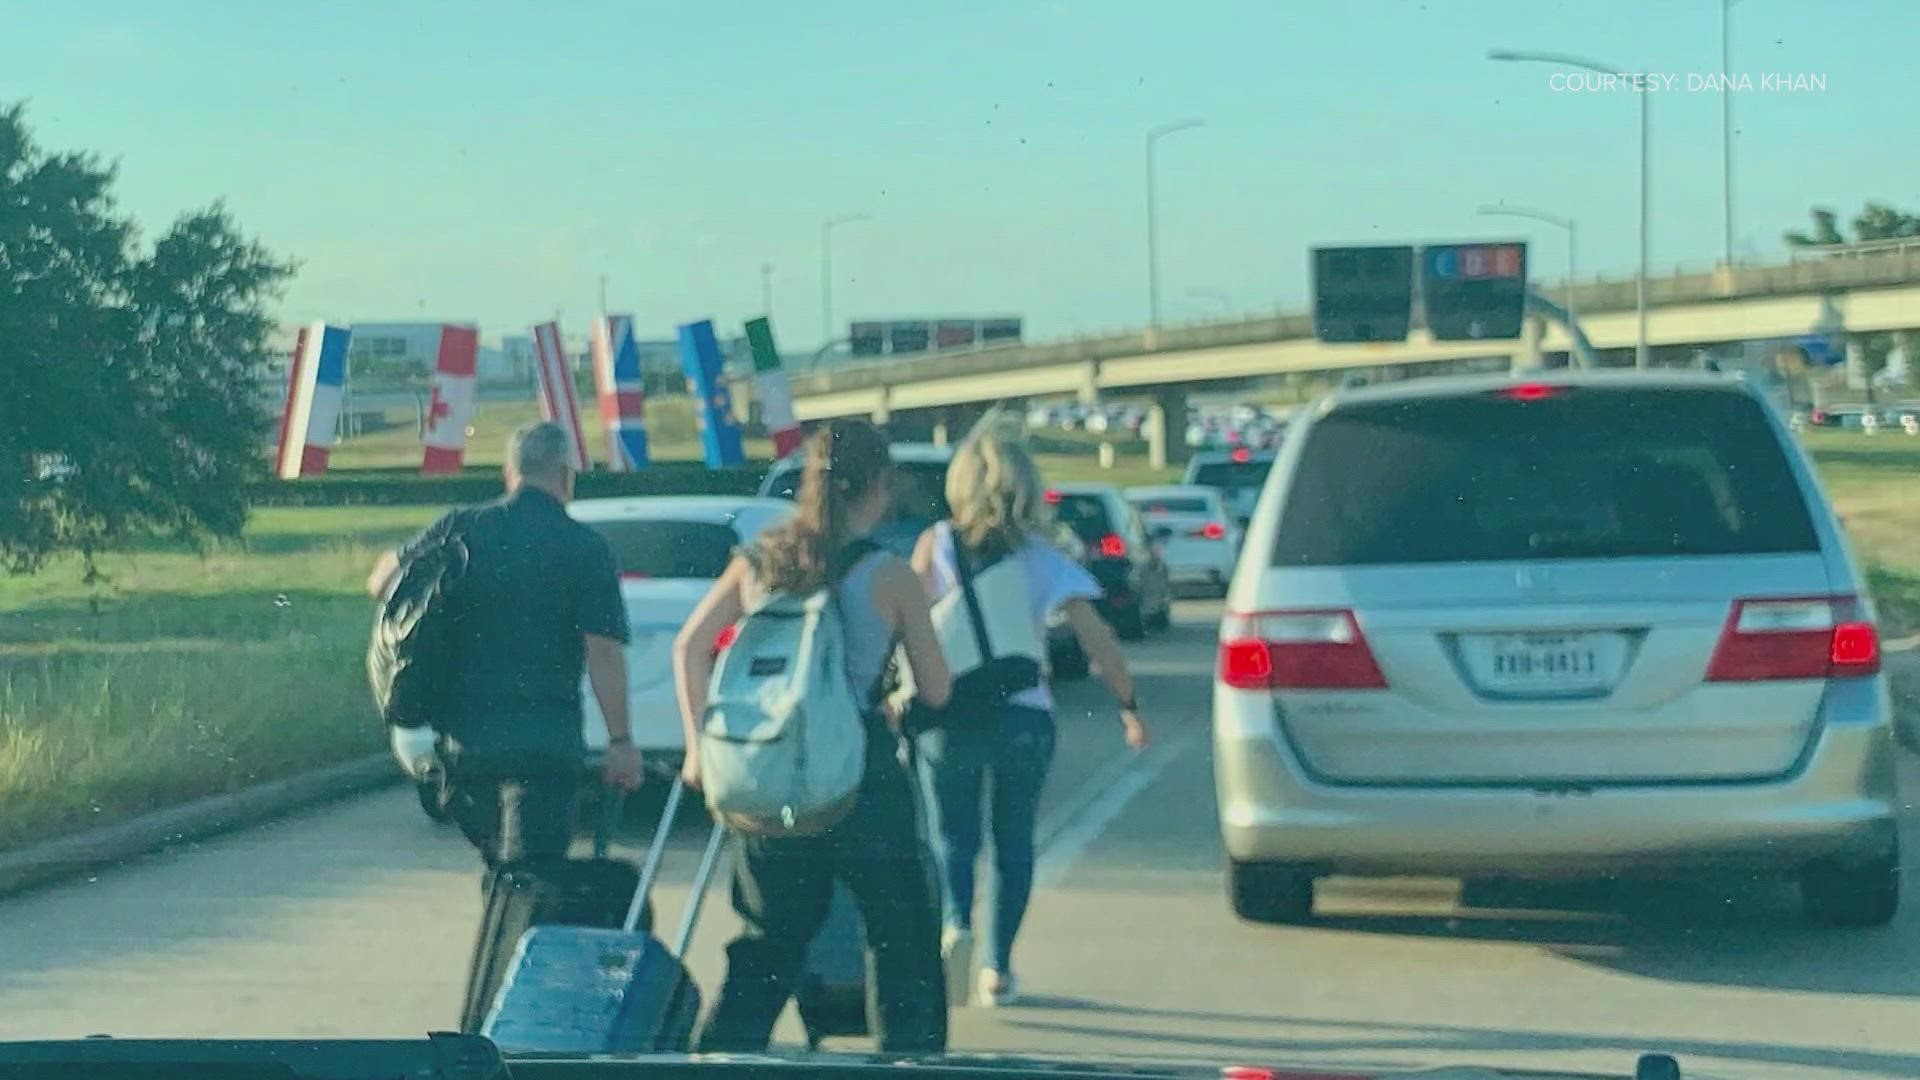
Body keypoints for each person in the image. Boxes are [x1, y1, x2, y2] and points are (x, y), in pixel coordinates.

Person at [673, 418, 954, 1054]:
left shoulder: (762, 561)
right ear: (878, 484)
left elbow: (690, 647)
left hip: (775, 778)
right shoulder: (889, 575)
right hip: (862, 781)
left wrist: (699, 751)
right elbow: (936, 689)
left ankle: (720, 1058)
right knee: (899, 935)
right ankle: (909, 1061)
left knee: (770, 939)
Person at [912, 421, 1149, 1008]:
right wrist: (1128, 706)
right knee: (1014, 843)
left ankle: (953, 925)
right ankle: (998, 968)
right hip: (1023, 717)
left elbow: (909, 622)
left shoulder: (936, 544)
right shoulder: (1044, 557)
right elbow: (1099, 640)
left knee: (952, 838)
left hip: (950, 714)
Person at [366, 421, 642, 867]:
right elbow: (603, 654)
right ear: (566, 476)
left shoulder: (460, 527)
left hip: (467, 745)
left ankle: (507, 928)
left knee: (503, 870)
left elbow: (382, 582)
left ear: (508, 472)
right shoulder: (585, 546)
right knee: (532, 874)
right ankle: (522, 933)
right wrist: (621, 741)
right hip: (546, 743)